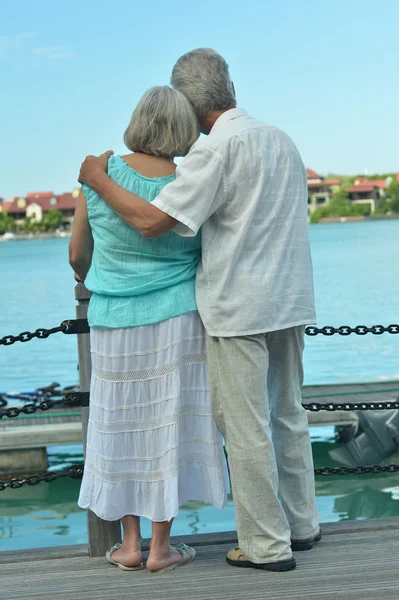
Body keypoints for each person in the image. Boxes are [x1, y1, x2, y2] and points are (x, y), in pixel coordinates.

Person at [78, 48, 320, 573]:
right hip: (291, 297)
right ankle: (302, 526)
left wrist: (97, 179)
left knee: (246, 426)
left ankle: (266, 546)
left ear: (188, 104)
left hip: (240, 306)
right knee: (288, 416)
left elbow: (151, 221)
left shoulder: (216, 150)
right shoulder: (281, 138)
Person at [69, 85, 230, 574]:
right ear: (183, 129)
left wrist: (96, 277)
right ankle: (163, 549)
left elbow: (78, 255)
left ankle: (130, 544)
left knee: (122, 426)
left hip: (115, 320)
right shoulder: (186, 182)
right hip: (179, 317)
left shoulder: (100, 176)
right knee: (168, 424)